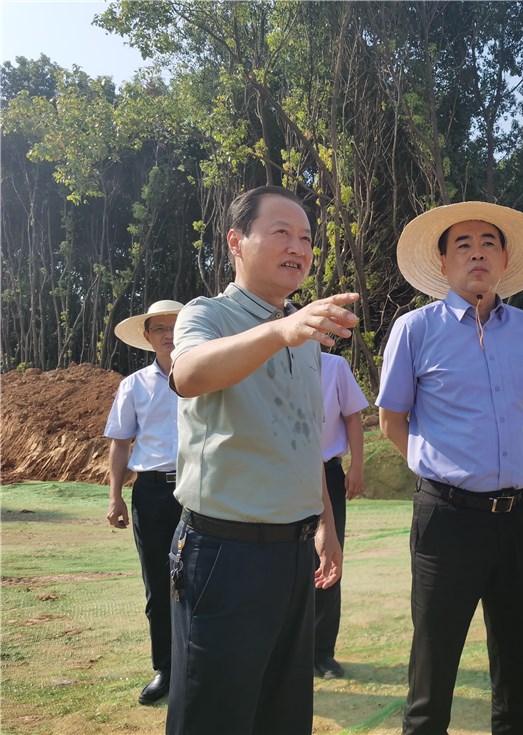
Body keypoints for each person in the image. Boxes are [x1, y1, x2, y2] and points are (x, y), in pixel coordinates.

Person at [166, 185, 359, 735]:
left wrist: (325, 524)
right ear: (236, 241)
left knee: (282, 712)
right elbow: (189, 374)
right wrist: (279, 330)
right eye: (280, 232)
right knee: (215, 716)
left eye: (305, 237)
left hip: (293, 553)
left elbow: (304, 441)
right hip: (224, 553)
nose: (297, 246)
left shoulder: (304, 333)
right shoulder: (210, 314)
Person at [376, 201, 523, 735]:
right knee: (434, 663)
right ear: (443, 261)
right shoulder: (414, 330)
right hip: (447, 521)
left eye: (488, 244)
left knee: (516, 660)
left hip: (518, 517)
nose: (477, 253)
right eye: (463, 245)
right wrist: (438, 476)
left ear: (503, 260)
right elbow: (391, 420)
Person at [104, 299, 184, 705]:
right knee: (158, 582)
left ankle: (202, 666)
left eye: (176, 326)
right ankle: (166, 669)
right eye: (160, 329)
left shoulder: (212, 376)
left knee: (206, 580)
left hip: (201, 490)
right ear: (148, 337)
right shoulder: (133, 385)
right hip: (152, 493)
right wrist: (115, 496)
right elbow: (120, 443)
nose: (169, 334)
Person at [314, 351, 368, 679]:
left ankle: (322, 653)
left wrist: (357, 466)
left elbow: (352, 418)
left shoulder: (334, 366)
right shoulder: (264, 362)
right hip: (278, 476)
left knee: (329, 561)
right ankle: (286, 651)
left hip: (328, 472)